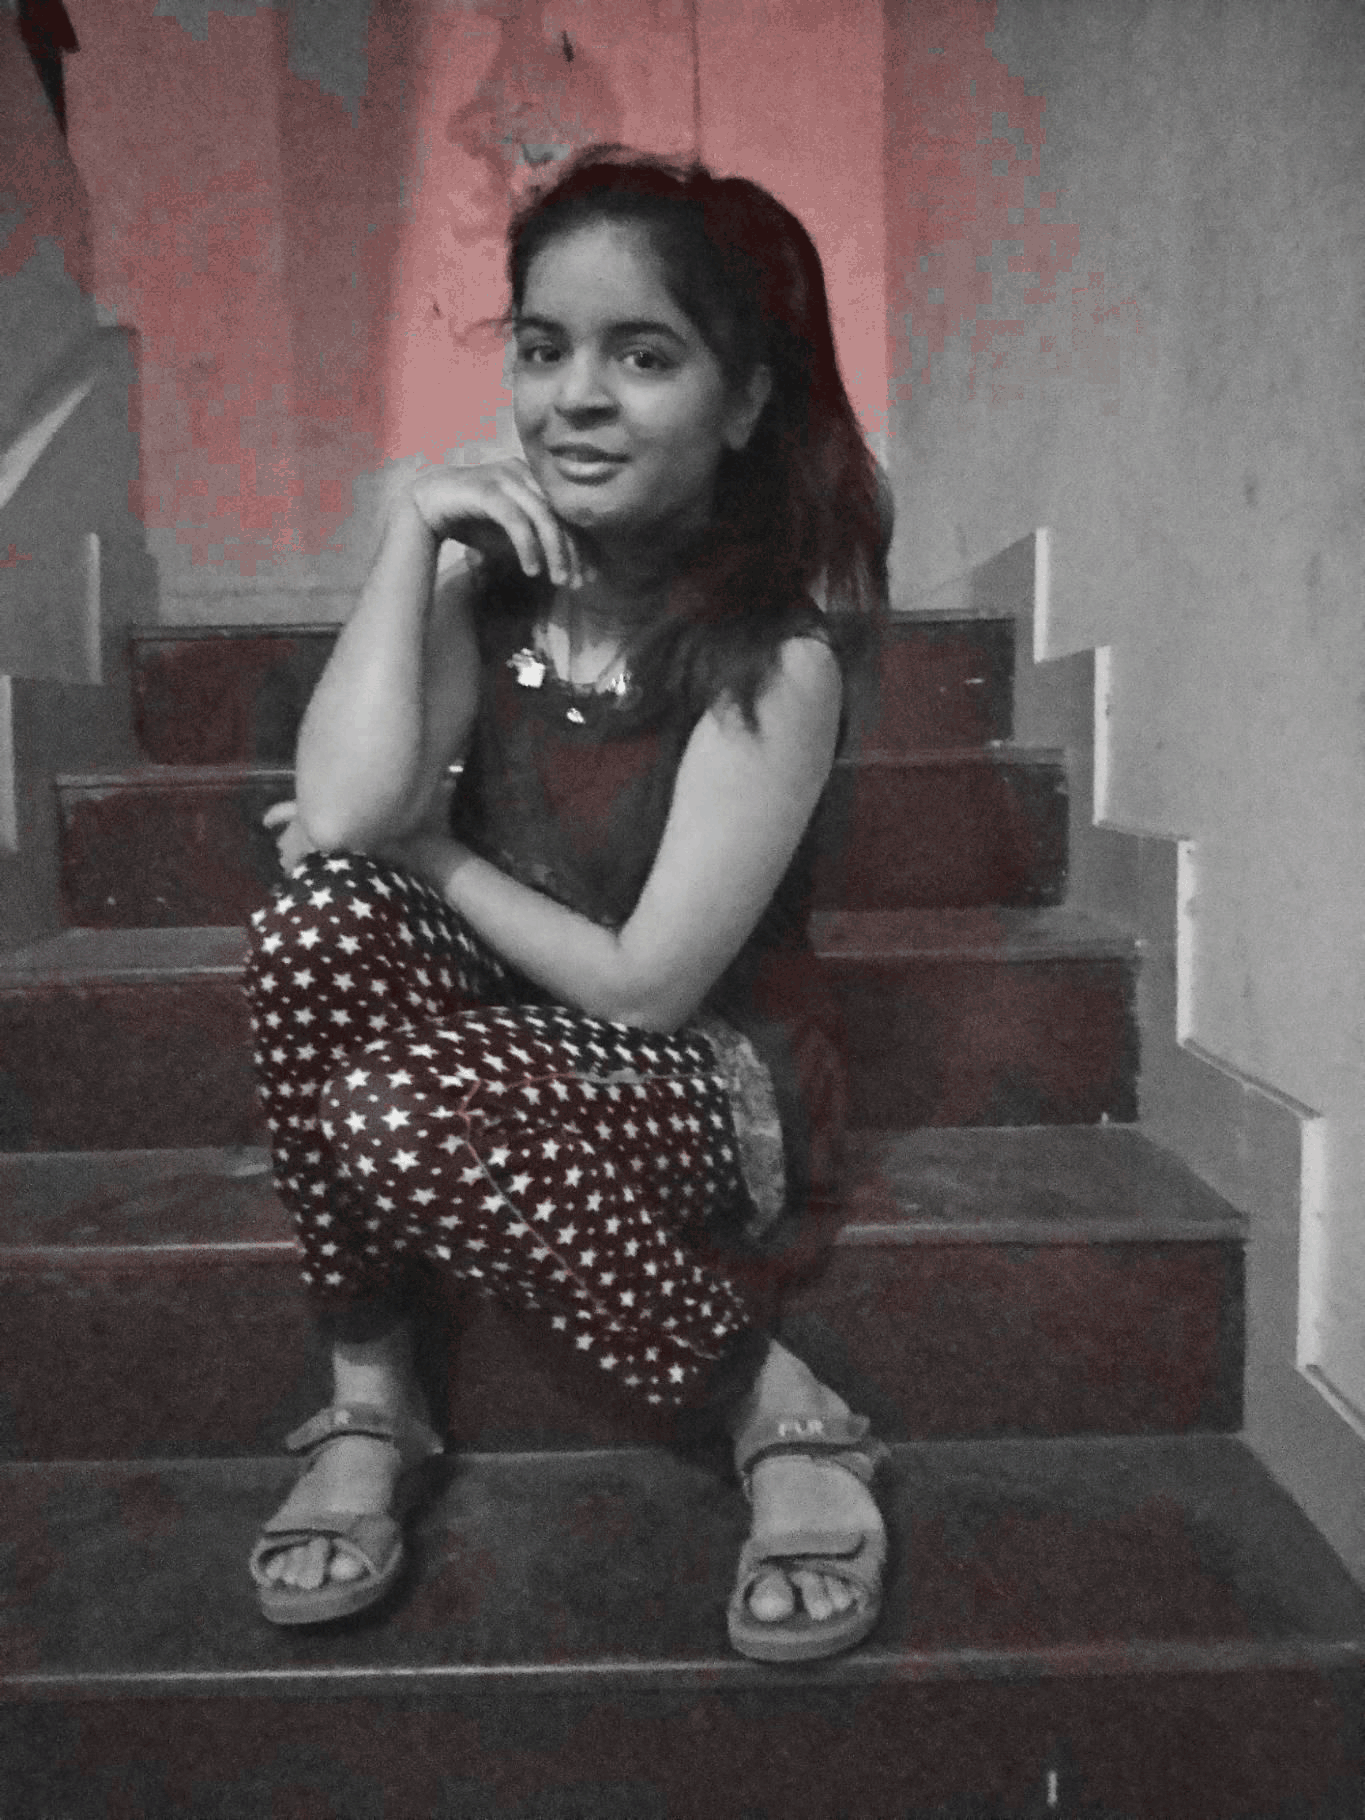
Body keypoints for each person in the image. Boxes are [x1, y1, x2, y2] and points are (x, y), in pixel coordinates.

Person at [244, 146, 893, 1664]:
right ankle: (372, 1395)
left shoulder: (773, 658)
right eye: (544, 348)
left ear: (744, 403)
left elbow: (650, 988)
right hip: (504, 1049)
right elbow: (340, 816)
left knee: (397, 1096)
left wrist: (430, 854)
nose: (575, 398)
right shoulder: (494, 591)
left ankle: (766, 1394)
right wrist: (411, 538)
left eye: (643, 356)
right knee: (314, 925)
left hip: (706, 1078)